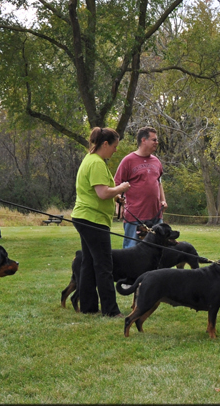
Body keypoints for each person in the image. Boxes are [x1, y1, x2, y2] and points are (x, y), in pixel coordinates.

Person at [74, 127, 131, 316]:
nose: (115, 150)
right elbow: (102, 192)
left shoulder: (89, 159)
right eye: (114, 146)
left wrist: (115, 197)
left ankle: (88, 307)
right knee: (104, 265)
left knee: (89, 263)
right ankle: (110, 310)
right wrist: (121, 188)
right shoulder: (97, 163)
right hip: (93, 219)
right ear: (104, 144)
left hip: (85, 217)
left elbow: (100, 192)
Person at [114, 126, 166, 248]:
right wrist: (118, 204)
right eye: (154, 140)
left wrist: (163, 200)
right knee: (131, 251)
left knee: (157, 252)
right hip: (135, 216)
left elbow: (159, 182)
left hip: (156, 216)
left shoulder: (156, 161)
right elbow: (116, 184)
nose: (156, 142)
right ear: (143, 140)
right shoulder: (128, 160)